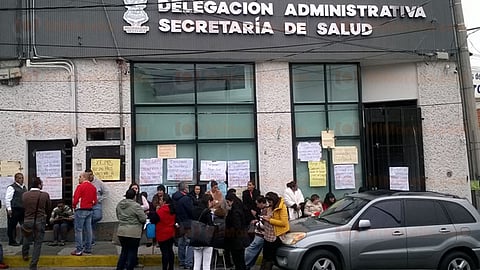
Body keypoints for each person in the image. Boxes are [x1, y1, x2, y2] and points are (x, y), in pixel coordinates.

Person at [22, 177, 51, 270]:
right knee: (37, 244)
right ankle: (33, 265)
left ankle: (25, 254)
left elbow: (23, 207)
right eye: (41, 183)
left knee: (26, 238)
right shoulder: (45, 195)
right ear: (39, 185)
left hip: (27, 220)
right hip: (40, 220)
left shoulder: (24, 195)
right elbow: (48, 208)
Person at [115, 189, 147, 270]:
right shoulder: (136, 206)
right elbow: (143, 219)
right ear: (134, 196)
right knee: (132, 252)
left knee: (124, 252)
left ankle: (119, 268)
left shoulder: (119, 205)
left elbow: (118, 216)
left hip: (122, 231)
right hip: (134, 233)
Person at [260, 192, 289, 270]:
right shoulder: (270, 207)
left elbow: (283, 223)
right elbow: (270, 216)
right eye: (268, 202)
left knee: (270, 257)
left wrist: (270, 220)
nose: (269, 203)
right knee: (265, 255)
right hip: (268, 235)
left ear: (274, 200)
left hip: (276, 235)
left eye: (270, 201)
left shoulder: (282, 207)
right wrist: (265, 218)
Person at [71, 172, 97, 256]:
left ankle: (79, 249)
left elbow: (75, 199)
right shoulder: (93, 187)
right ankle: (88, 248)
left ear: (84, 178)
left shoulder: (80, 186)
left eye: (80, 177)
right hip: (89, 209)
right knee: (88, 229)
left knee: (79, 230)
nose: (79, 178)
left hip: (81, 209)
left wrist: (74, 206)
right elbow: (95, 201)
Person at [172, 182, 194, 269]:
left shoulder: (174, 198)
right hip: (187, 223)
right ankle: (188, 263)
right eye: (188, 187)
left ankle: (181, 262)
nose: (188, 189)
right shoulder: (186, 199)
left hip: (178, 223)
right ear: (184, 189)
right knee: (189, 244)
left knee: (181, 243)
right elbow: (190, 211)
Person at [224, 192, 248, 270]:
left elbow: (236, 226)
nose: (228, 204)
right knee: (240, 261)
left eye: (228, 202)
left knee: (238, 261)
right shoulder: (239, 209)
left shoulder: (234, 212)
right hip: (240, 239)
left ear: (232, 201)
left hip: (236, 240)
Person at [191, 193, 215, 270]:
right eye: (211, 202)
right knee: (206, 264)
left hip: (196, 237)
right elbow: (211, 225)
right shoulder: (207, 212)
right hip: (206, 239)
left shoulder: (194, 210)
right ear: (208, 201)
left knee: (196, 263)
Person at [244, 195, 268, 270]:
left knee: (251, 250)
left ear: (262, 203)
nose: (257, 206)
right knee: (253, 251)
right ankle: (247, 265)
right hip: (261, 234)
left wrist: (255, 223)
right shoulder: (264, 210)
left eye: (257, 204)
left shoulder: (265, 210)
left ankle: (244, 265)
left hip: (261, 234)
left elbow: (264, 224)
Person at [85, 168, 107, 246]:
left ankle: (88, 224)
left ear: (92, 174)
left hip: (96, 204)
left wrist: (99, 199)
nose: (90, 177)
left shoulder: (99, 182)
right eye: (88, 175)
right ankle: (91, 240)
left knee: (97, 217)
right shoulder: (84, 183)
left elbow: (106, 192)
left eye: (91, 175)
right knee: (89, 222)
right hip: (87, 204)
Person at [5, 172, 27, 246]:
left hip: (22, 209)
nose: (21, 179)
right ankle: (12, 241)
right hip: (14, 209)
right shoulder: (11, 187)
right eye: (20, 178)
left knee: (23, 225)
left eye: (22, 178)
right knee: (12, 226)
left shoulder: (24, 187)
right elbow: (7, 199)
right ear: (16, 179)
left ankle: (23, 240)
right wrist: (9, 209)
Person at [155, 194, 176, 270]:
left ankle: (164, 267)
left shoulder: (161, 210)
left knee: (164, 252)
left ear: (164, 201)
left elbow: (153, 220)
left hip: (162, 233)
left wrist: (156, 211)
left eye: (160, 200)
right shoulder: (172, 209)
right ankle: (171, 267)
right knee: (170, 250)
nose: (159, 201)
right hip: (171, 232)